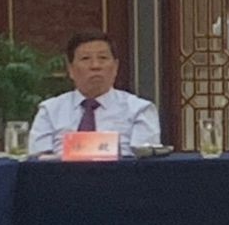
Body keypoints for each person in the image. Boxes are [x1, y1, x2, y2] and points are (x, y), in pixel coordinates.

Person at [28, 30, 160, 157]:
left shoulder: (140, 110)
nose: (95, 65)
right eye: (85, 59)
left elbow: (144, 164)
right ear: (71, 69)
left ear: (115, 67)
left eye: (103, 58)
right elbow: (38, 161)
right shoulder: (50, 111)